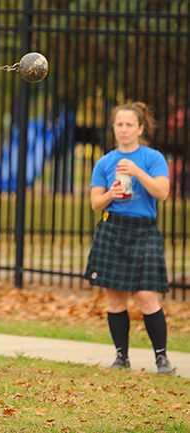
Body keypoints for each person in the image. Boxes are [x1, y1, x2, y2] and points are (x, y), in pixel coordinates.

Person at [84, 102, 174, 375]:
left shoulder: (152, 157)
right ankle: (121, 357)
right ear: (114, 128)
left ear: (140, 128)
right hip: (112, 229)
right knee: (116, 297)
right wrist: (110, 194)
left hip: (144, 230)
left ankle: (162, 358)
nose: (123, 130)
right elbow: (95, 203)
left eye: (129, 125)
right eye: (119, 125)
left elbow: (163, 192)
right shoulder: (105, 161)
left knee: (147, 295)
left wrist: (137, 172)